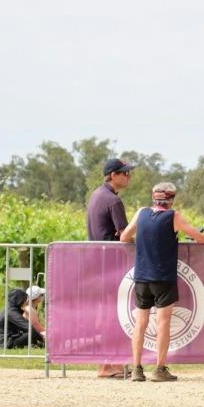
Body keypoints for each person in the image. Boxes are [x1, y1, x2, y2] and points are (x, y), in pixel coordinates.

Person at [119, 182, 204, 381]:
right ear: (171, 199)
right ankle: (159, 369)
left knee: (140, 323)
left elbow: (124, 237)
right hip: (163, 277)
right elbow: (200, 238)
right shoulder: (173, 216)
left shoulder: (141, 213)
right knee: (163, 323)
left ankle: (136, 369)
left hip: (141, 275)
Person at [86, 156, 134, 377]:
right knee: (112, 315)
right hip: (111, 265)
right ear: (113, 175)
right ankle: (107, 365)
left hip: (97, 263)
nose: (129, 176)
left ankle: (107, 362)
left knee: (104, 313)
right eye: (125, 173)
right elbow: (124, 234)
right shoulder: (113, 201)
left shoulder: (97, 195)